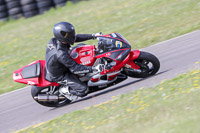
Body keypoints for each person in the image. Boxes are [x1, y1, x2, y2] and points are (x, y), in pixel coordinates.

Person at [45, 21, 99, 99]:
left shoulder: (56, 40)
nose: (71, 36)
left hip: (61, 62)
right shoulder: (61, 54)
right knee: (83, 90)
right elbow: (75, 69)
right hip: (61, 74)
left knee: (83, 47)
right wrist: (93, 69)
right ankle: (64, 90)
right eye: (68, 35)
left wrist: (93, 36)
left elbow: (75, 38)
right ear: (62, 36)